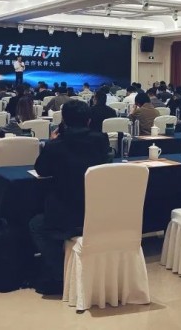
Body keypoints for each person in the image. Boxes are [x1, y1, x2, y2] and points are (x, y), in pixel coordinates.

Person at [29, 100, 111, 295]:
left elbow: (41, 169)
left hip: (64, 217)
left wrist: (51, 141)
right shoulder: (101, 140)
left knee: (36, 224)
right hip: (96, 212)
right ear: (88, 120)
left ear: (64, 121)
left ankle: (59, 274)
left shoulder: (56, 145)